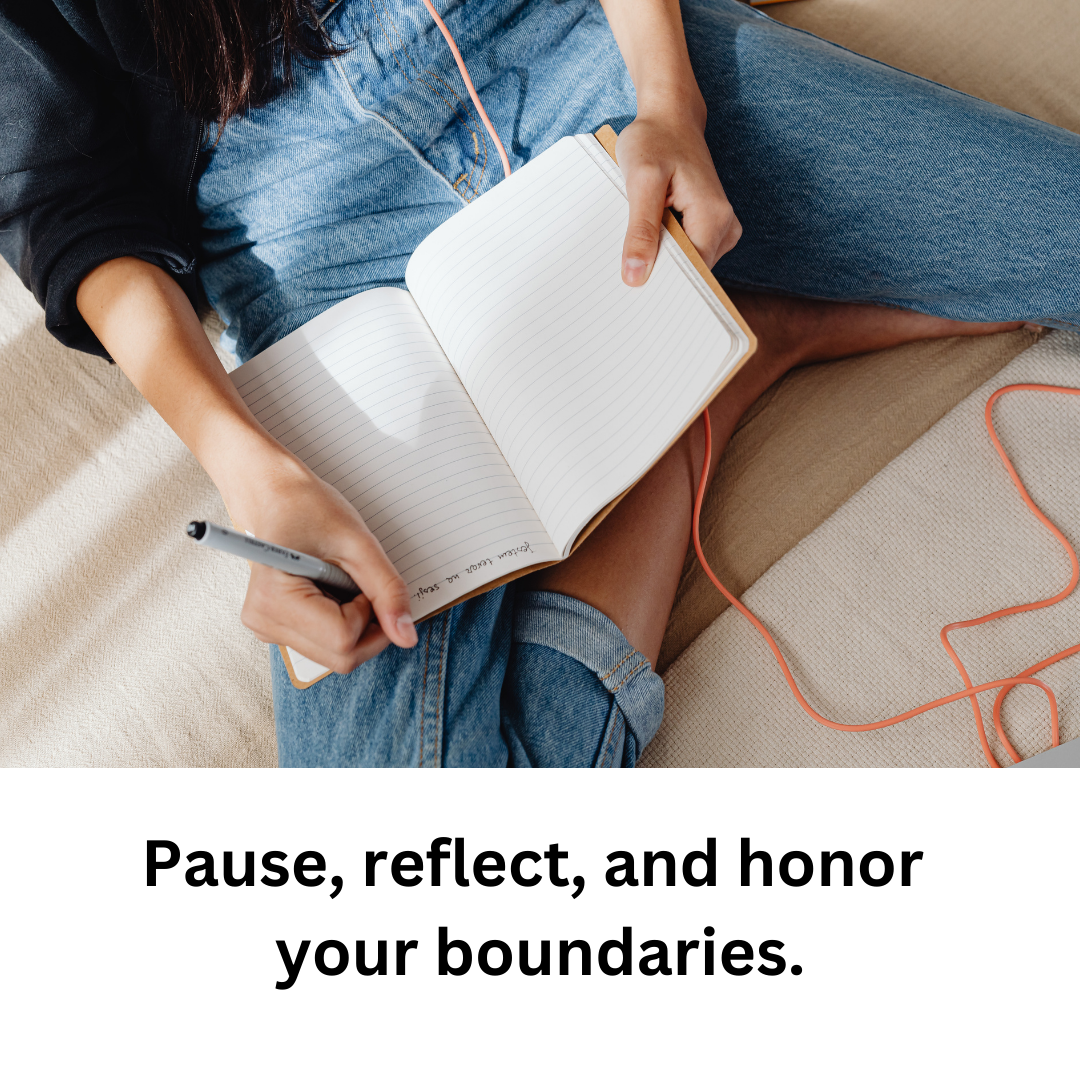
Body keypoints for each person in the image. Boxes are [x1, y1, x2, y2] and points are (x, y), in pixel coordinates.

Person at [3, 0, 1078, 767]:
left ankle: (708, 343)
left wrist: (668, 101)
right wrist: (250, 469)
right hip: (292, 217)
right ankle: (732, 370)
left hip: (568, 47)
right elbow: (67, 207)